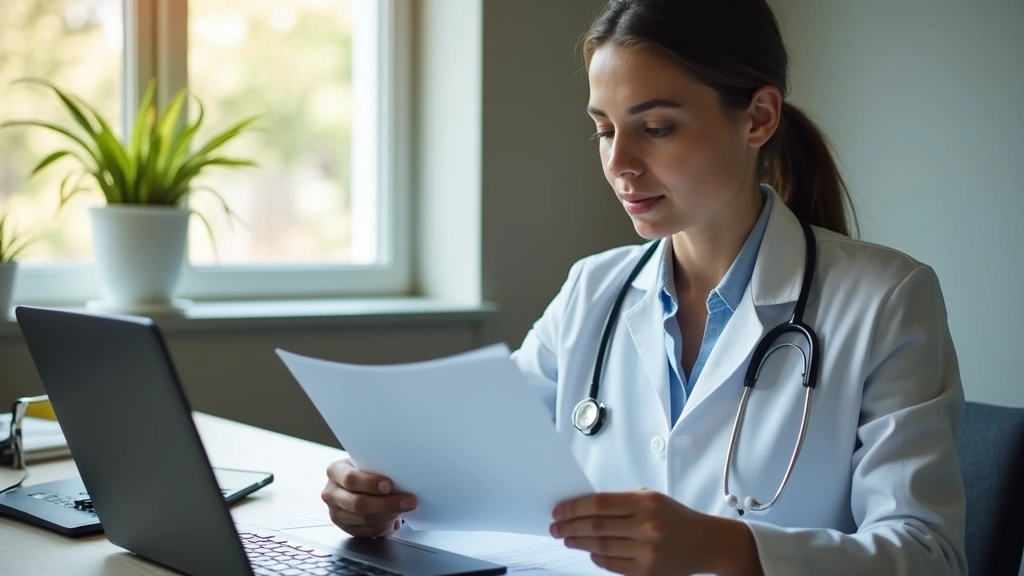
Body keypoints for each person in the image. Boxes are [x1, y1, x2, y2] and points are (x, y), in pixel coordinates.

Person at [319, 1, 968, 574]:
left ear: (759, 117)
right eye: (604, 128)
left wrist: (728, 548)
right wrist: (382, 498)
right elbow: (475, 464)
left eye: (656, 128)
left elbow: (929, 555)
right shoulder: (592, 290)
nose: (619, 164)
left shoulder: (886, 298)